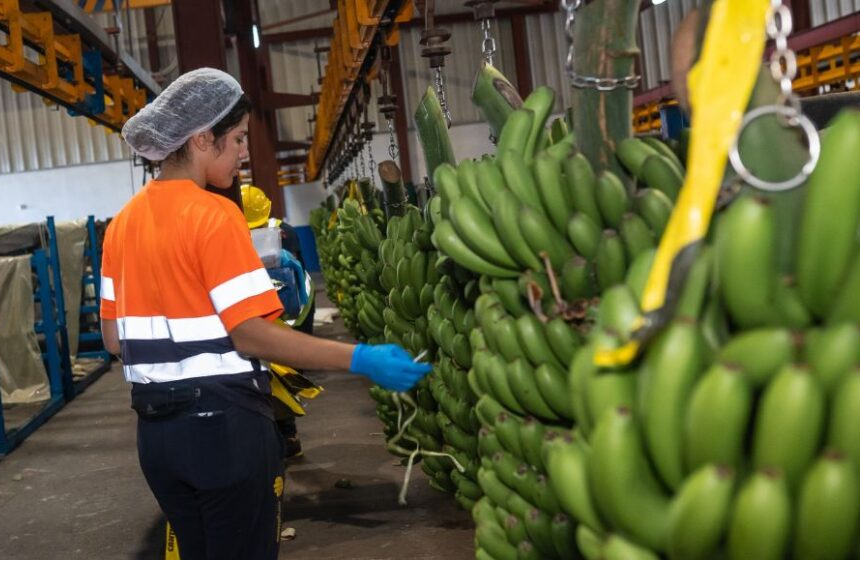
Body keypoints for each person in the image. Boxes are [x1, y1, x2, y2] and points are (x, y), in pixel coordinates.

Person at [99, 68, 431, 560]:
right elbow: (252, 335)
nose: (243, 152)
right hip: (224, 432)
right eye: (236, 139)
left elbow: (112, 339)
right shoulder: (214, 215)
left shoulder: (121, 225)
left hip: (157, 437)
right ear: (201, 138)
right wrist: (358, 358)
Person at [241, 183, 315, 460]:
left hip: (271, 314)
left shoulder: (239, 232)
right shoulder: (286, 230)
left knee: (271, 376)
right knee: (279, 375)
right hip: (281, 314)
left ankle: (280, 433)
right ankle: (284, 433)